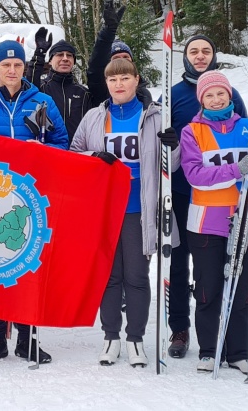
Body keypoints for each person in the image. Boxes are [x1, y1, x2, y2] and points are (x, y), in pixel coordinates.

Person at [0, 40, 69, 364]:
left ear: (25, 68)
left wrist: (44, 151)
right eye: (6, 65)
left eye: (18, 65)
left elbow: (61, 142)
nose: (12, 70)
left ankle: (28, 338)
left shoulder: (42, 101)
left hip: (30, 196)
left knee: (30, 268)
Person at [70, 58, 181, 368]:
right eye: (112, 79)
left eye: (124, 78)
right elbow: (73, 153)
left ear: (136, 80)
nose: (118, 84)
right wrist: (95, 155)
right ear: (107, 84)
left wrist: (173, 146)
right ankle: (111, 337)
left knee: (136, 277)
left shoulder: (156, 116)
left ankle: (135, 339)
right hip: (104, 208)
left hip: (138, 209)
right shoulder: (94, 117)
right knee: (108, 276)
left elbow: (171, 167)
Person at [175, 71, 248, 373]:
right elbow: (196, 176)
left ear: (230, 96)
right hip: (205, 222)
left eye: (221, 93)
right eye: (209, 95)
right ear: (201, 99)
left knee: (241, 289)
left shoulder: (247, 127)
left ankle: (240, 352)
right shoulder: (193, 131)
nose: (216, 99)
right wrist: (238, 168)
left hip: (243, 219)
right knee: (208, 289)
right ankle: (209, 349)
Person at [165, 32, 248, 359]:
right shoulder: (173, 95)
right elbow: (157, 136)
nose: (200, 56)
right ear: (186, 57)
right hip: (183, 192)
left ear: (213, 56)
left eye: (206, 51)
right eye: (194, 51)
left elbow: (243, 129)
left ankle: (219, 328)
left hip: (220, 198)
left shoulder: (231, 94)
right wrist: (166, 140)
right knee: (179, 261)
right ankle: (180, 328)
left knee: (212, 265)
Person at [85, 1, 152, 108]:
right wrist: (108, 32)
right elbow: (96, 65)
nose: (122, 61)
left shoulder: (143, 93)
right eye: (116, 58)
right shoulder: (103, 88)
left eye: (126, 57)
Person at [40, 40, 89, 140]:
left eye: (69, 55)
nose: (65, 58)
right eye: (60, 54)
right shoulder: (40, 88)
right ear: (50, 61)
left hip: (76, 151)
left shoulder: (84, 93)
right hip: (48, 150)